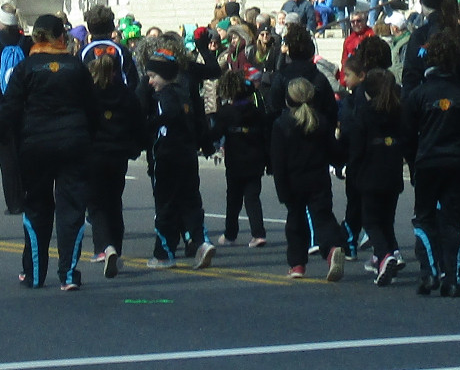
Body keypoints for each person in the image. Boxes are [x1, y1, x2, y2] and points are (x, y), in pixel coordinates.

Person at [0, 15, 98, 290]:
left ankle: (34, 273)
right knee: (72, 209)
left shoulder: (27, 67)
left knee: (37, 207)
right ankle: (67, 274)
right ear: (59, 37)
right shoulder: (75, 66)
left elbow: (9, 109)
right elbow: (92, 108)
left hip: (36, 145)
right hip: (74, 144)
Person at [401, 24, 460, 296]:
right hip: (458, 162)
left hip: (427, 161)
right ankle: (453, 278)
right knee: (453, 221)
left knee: (424, 218)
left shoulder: (418, 95)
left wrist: (413, 161)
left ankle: (429, 272)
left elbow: (408, 135)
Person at [143, 47, 218, 269]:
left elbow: (170, 115)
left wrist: (150, 125)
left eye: (152, 77)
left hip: (167, 157)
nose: (150, 82)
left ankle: (163, 254)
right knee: (191, 202)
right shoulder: (184, 94)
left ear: (164, 76)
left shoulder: (163, 97)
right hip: (187, 155)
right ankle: (201, 241)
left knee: (166, 205)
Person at [338, 48, 406, 285]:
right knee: (387, 219)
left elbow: (357, 148)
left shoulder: (365, 113)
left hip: (370, 173)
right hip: (393, 172)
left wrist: (351, 171)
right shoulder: (397, 111)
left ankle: (385, 255)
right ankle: (385, 257)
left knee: (370, 220)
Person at [269, 75, 345, 280]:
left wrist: (281, 189)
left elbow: (278, 161)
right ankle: (332, 249)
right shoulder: (321, 121)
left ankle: (297, 265)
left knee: (295, 223)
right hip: (318, 178)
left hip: (293, 182)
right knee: (323, 217)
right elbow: (334, 152)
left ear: (288, 100)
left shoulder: (282, 124)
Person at [83, 43, 147, 276]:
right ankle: (116, 249)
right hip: (118, 154)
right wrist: (136, 148)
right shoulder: (127, 95)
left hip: (93, 154)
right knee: (114, 202)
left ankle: (105, 247)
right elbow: (138, 126)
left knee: (96, 205)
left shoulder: (88, 96)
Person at [210, 72, 272, 247]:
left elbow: (215, 134)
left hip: (235, 162)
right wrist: (269, 162)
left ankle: (230, 234)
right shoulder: (258, 112)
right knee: (252, 198)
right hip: (256, 160)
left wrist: (203, 141)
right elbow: (266, 138)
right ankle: (258, 233)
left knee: (234, 199)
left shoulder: (226, 112)